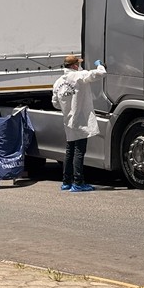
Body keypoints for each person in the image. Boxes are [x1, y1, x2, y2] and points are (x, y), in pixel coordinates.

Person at [52, 54, 106, 192]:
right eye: (79, 64)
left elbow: (55, 104)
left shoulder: (58, 83)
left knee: (69, 151)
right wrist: (100, 64)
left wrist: (68, 107)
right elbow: (100, 73)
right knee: (79, 152)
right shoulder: (79, 76)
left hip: (68, 120)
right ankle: (78, 182)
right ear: (75, 65)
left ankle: (66, 182)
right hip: (81, 120)